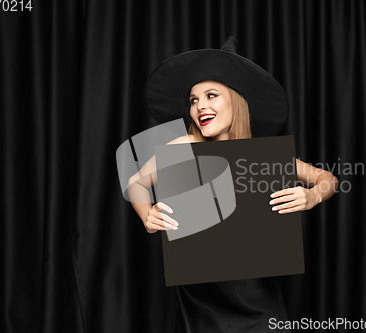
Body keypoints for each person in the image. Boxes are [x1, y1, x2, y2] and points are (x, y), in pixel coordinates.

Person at [127, 37, 338, 333]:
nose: (200, 106)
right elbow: (136, 183)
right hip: (200, 304)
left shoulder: (264, 156)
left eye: (211, 95)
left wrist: (313, 195)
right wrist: (145, 213)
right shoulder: (182, 147)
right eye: (193, 99)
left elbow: (328, 178)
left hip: (257, 301)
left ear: (235, 100)